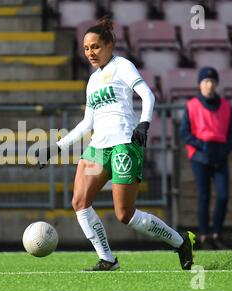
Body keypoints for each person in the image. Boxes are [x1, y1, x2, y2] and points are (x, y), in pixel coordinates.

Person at [36, 16, 195, 271]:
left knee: (125, 215)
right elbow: (87, 124)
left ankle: (180, 242)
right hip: (97, 149)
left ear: (110, 44)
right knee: (79, 202)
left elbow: (147, 95)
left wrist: (144, 123)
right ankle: (107, 259)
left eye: (95, 46)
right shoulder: (93, 80)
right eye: (86, 48)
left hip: (124, 145)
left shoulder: (122, 66)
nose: (90, 52)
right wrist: (57, 147)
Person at [180, 66, 232, 250]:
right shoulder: (192, 105)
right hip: (200, 156)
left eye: (212, 81)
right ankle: (204, 235)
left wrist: (225, 150)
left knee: (223, 196)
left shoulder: (226, 106)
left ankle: (217, 233)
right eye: (206, 81)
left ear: (217, 84)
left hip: (220, 155)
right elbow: (185, 132)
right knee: (204, 196)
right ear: (199, 84)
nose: (209, 85)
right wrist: (200, 146)